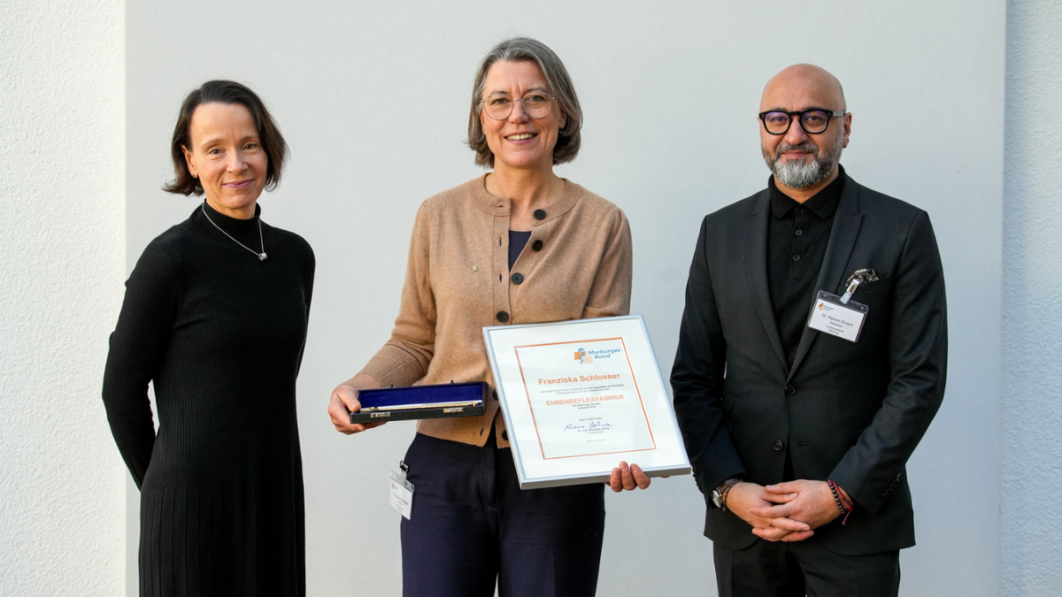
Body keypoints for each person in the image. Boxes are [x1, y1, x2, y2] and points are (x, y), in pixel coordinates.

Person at [328, 37, 646, 597]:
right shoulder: (438, 215)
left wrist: (618, 445)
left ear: (563, 112)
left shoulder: (603, 224)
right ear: (481, 117)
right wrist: (362, 386)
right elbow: (413, 339)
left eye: (536, 99)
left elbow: (602, 362)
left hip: (553, 479)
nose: (517, 115)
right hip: (443, 468)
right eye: (499, 100)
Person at [671, 64, 947, 597]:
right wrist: (728, 488)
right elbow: (694, 378)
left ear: (846, 128)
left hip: (854, 524)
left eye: (814, 117)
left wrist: (842, 492)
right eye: (778, 118)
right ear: (761, 128)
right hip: (748, 522)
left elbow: (918, 380)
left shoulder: (902, 230)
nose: (794, 134)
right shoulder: (719, 233)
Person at [102, 80, 314, 596]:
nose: (236, 164)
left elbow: (266, 379)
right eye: (215, 150)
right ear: (190, 161)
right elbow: (120, 391)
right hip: (190, 511)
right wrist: (165, 488)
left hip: (274, 497)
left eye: (248, 145)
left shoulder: (295, 258)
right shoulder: (170, 260)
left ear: (267, 149)